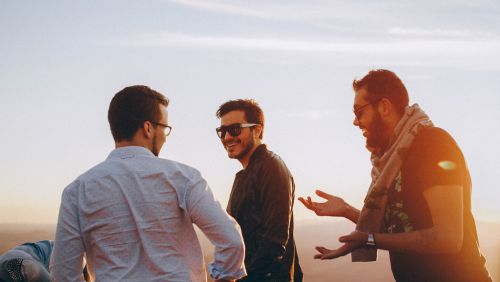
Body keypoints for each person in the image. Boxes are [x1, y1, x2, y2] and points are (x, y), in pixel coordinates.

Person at [299, 69, 491, 281]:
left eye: (358, 112)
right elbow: (399, 227)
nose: (356, 122)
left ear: (384, 107)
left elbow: (447, 238)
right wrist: (347, 211)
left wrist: (370, 239)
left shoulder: (433, 144)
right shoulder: (392, 161)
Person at [50, 85, 246, 281]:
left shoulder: (77, 191)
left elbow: (63, 272)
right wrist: (225, 276)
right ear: (148, 128)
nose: (164, 138)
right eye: (165, 128)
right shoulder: (183, 178)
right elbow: (231, 241)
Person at [215, 99, 303, 282]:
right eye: (222, 132)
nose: (227, 137)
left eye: (235, 129)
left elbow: (275, 241)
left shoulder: (271, 167)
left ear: (257, 129)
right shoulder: (247, 174)